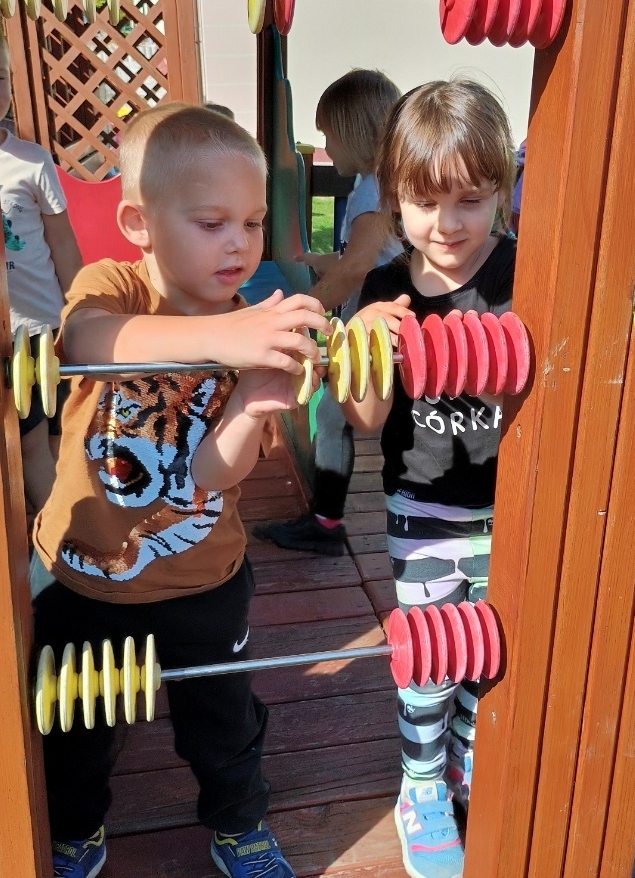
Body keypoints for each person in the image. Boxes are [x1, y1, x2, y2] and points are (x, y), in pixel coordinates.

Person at [29, 103, 331, 878]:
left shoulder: (246, 326)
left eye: (254, 223)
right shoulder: (114, 286)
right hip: (87, 578)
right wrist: (223, 339)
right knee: (78, 727)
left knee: (222, 721)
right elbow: (85, 339)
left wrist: (253, 403)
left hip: (204, 579)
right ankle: (74, 831)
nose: (240, 243)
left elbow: (210, 478)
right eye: (212, 223)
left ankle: (239, 826)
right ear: (140, 223)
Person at [340, 79, 517, 878]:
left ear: (502, 191)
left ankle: (469, 760)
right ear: (392, 197)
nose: (447, 225)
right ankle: (420, 784)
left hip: (510, 509)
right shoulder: (387, 291)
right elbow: (365, 419)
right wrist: (361, 344)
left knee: (489, 649)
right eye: (424, 203)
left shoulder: (521, 275)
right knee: (432, 656)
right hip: (425, 510)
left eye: (470, 201)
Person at [257, 69, 402, 556]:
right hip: (380, 327)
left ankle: (327, 525)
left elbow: (358, 267)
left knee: (335, 412)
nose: (326, 148)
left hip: (380, 331)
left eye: (329, 136)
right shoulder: (374, 183)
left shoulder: (373, 189)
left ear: (356, 132)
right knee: (338, 414)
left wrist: (303, 314)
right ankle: (327, 519)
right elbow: (363, 256)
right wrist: (322, 260)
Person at [0, 32, 83, 513]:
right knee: (30, 445)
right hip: (7, 338)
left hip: (44, 326)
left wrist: (80, 308)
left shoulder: (31, 161)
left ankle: (54, 526)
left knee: (58, 436)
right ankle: (59, 540)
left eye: (0, 77)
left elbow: (62, 241)